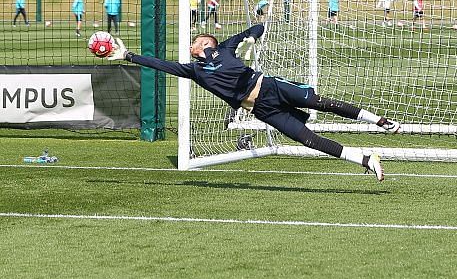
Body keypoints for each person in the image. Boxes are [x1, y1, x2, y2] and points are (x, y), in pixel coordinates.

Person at [107, 24, 400, 181]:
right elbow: (161, 65)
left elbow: (257, 27)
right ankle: (365, 159)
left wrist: (250, 39)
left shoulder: (225, 47)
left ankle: (378, 120)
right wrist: (129, 56)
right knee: (307, 140)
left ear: (206, 44)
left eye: (194, 42)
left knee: (323, 103)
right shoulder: (194, 70)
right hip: (261, 108)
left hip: (271, 86)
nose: (190, 46)